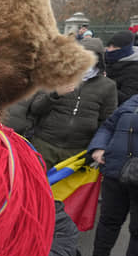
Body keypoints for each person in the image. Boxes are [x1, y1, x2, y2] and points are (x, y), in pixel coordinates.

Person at [23, 37, 117, 168]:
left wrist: (96, 146)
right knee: (34, 183)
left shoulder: (107, 86)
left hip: (77, 151)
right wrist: (55, 94)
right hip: (44, 144)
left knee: (64, 188)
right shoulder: (58, 76)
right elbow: (36, 109)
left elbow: (107, 121)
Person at [84, 93, 138, 256]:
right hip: (115, 171)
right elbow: (108, 126)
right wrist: (98, 147)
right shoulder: (133, 100)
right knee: (108, 220)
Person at [104, 30, 138, 105]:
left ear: (126, 49)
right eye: (109, 46)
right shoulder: (105, 60)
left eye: (115, 47)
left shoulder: (134, 70)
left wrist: (103, 83)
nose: (110, 50)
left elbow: (128, 99)